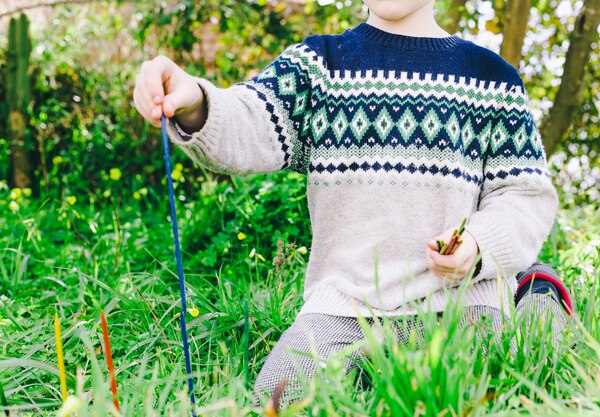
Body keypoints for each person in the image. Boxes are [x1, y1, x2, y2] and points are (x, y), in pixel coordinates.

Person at [133, 0, 573, 406]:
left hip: (461, 307)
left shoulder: (491, 79)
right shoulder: (319, 65)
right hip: (343, 309)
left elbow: (523, 195)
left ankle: (536, 291)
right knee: (275, 399)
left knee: (517, 378)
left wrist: (477, 244)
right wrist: (194, 101)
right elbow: (248, 121)